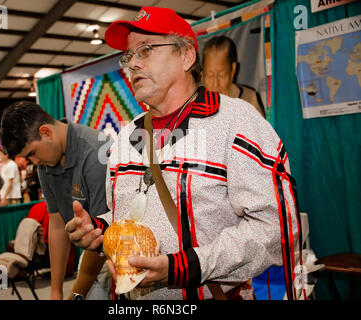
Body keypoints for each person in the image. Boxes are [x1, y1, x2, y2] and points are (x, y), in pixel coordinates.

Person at [65, 7, 302, 300]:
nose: (133, 64)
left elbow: (274, 229)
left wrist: (184, 267)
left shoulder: (236, 122)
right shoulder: (126, 137)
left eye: (146, 50)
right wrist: (100, 230)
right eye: (129, 56)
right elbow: (129, 213)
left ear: (187, 56)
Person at [0, 101, 111, 300]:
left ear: (46, 132)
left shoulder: (96, 153)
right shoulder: (45, 162)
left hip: (117, 254)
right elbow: (58, 225)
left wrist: (75, 294)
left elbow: (100, 234)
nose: (34, 163)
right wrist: (55, 291)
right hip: (91, 253)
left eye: (32, 153)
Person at [202, 35, 266, 117]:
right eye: (210, 75)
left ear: (232, 70)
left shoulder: (249, 99)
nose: (215, 84)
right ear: (202, 74)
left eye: (221, 75)